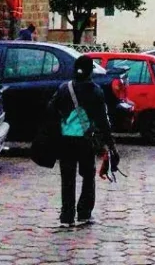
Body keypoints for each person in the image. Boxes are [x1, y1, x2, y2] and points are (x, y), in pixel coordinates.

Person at [46, 55, 117, 227]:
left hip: (66, 140)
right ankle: (84, 213)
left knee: (67, 178)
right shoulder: (95, 91)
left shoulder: (64, 88)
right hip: (86, 140)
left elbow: (50, 111)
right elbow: (102, 121)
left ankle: (67, 216)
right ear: (90, 71)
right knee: (88, 176)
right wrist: (110, 144)